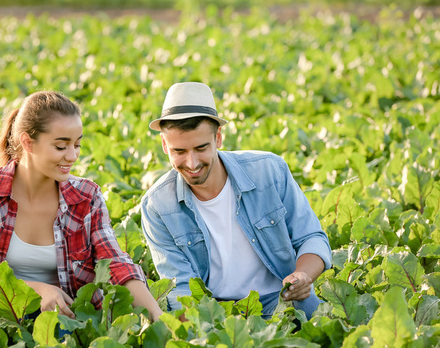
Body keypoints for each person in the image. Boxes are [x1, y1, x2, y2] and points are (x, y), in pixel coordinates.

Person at [0, 91, 163, 322]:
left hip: (66, 318)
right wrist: (39, 290)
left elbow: (116, 263)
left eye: (77, 145)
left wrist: (157, 315)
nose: (72, 156)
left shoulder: (87, 196)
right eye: (61, 147)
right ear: (28, 143)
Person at [140, 82, 331, 318]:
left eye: (201, 148)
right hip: (216, 314)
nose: (192, 163)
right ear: (164, 146)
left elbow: (312, 237)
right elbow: (180, 290)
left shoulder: (269, 171)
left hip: (285, 303)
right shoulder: (157, 206)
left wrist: (302, 276)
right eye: (179, 151)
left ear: (218, 138)